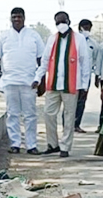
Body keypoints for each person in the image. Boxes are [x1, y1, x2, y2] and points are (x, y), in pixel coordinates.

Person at [0, 7, 45, 155]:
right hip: (10, 81)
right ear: (10, 19)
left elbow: (42, 59)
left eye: (19, 17)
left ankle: (31, 145)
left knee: (30, 115)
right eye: (14, 17)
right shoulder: (4, 36)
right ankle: (15, 144)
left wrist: (41, 78)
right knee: (12, 114)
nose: (17, 19)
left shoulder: (33, 36)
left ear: (24, 18)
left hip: (29, 82)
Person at [33, 11, 91, 158]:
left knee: (69, 116)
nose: (61, 25)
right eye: (58, 22)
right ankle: (53, 144)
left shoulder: (79, 39)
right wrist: (38, 77)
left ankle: (65, 147)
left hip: (71, 84)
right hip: (53, 83)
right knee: (48, 113)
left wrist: (85, 85)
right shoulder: (52, 39)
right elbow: (45, 61)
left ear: (69, 21)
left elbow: (85, 63)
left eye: (63, 21)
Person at [73, 19, 100, 134]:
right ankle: (68, 124)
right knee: (70, 100)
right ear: (79, 28)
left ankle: (77, 124)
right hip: (72, 76)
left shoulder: (93, 44)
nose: (86, 29)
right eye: (84, 27)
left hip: (86, 77)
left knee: (81, 101)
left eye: (88, 27)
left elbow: (94, 60)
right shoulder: (73, 41)